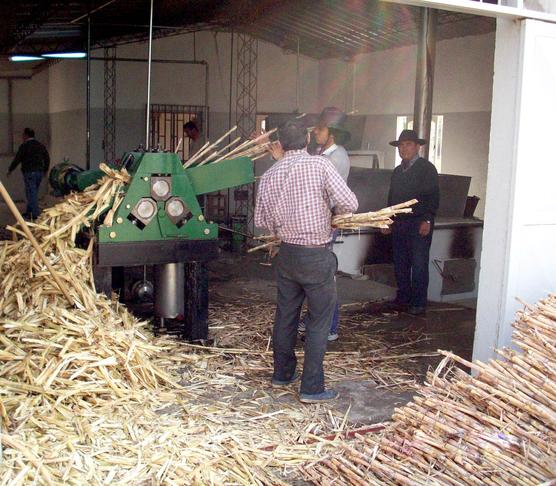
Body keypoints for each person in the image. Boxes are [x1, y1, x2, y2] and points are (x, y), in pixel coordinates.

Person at [255, 119, 358, 403]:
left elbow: (262, 221)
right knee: (319, 320)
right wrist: (330, 213)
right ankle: (312, 387)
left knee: (286, 316)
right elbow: (349, 203)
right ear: (307, 141)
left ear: (281, 145)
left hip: (287, 254)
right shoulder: (321, 165)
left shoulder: (270, 174)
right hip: (316, 253)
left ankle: (283, 374)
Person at [301, 107, 352, 341]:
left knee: (324, 277)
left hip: (327, 222)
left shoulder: (337, 157)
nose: (315, 132)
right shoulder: (323, 154)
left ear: (330, 132)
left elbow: (330, 195)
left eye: (319, 129)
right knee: (314, 276)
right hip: (319, 222)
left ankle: (330, 327)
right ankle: (315, 319)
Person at [383, 129, 440, 316]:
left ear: (417, 147)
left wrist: (427, 219)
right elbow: (392, 198)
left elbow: (432, 197)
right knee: (400, 262)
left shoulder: (427, 168)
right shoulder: (398, 171)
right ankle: (403, 298)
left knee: (419, 262)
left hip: (418, 222)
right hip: (400, 222)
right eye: (401, 145)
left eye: (408, 144)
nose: (403, 148)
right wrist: (388, 219)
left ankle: (418, 302)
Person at [7, 128, 50, 220]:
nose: (22, 137)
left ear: (26, 135)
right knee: (32, 192)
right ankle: (29, 212)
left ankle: (35, 214)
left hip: (29, 173)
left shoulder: (24, 146)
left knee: (31, 193)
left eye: (23, 135)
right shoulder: (40, 145)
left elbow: (17, 159)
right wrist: (45, 170)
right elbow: (47, 158)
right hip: (39, 172)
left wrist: (10, 169)